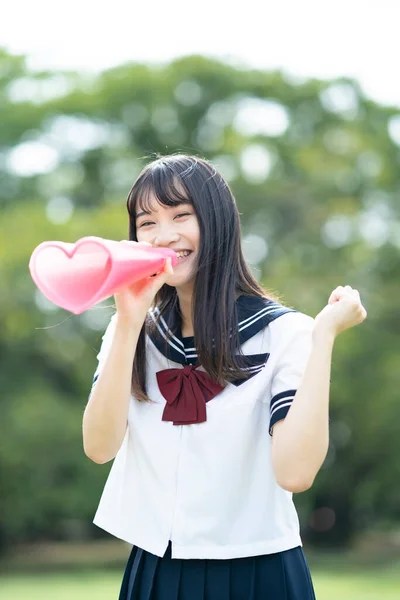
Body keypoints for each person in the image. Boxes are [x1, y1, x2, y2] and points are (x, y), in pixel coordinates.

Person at [83, 154, 367, 600]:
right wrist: (127, 323)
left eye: (181, 216)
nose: (164, 235)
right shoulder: (130, 328)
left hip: (259, 571)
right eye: (147, 222)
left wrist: (324, 336)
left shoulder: (285, 332)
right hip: (155, 571)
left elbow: (295, 473)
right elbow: (99, 448)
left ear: (217, 223)